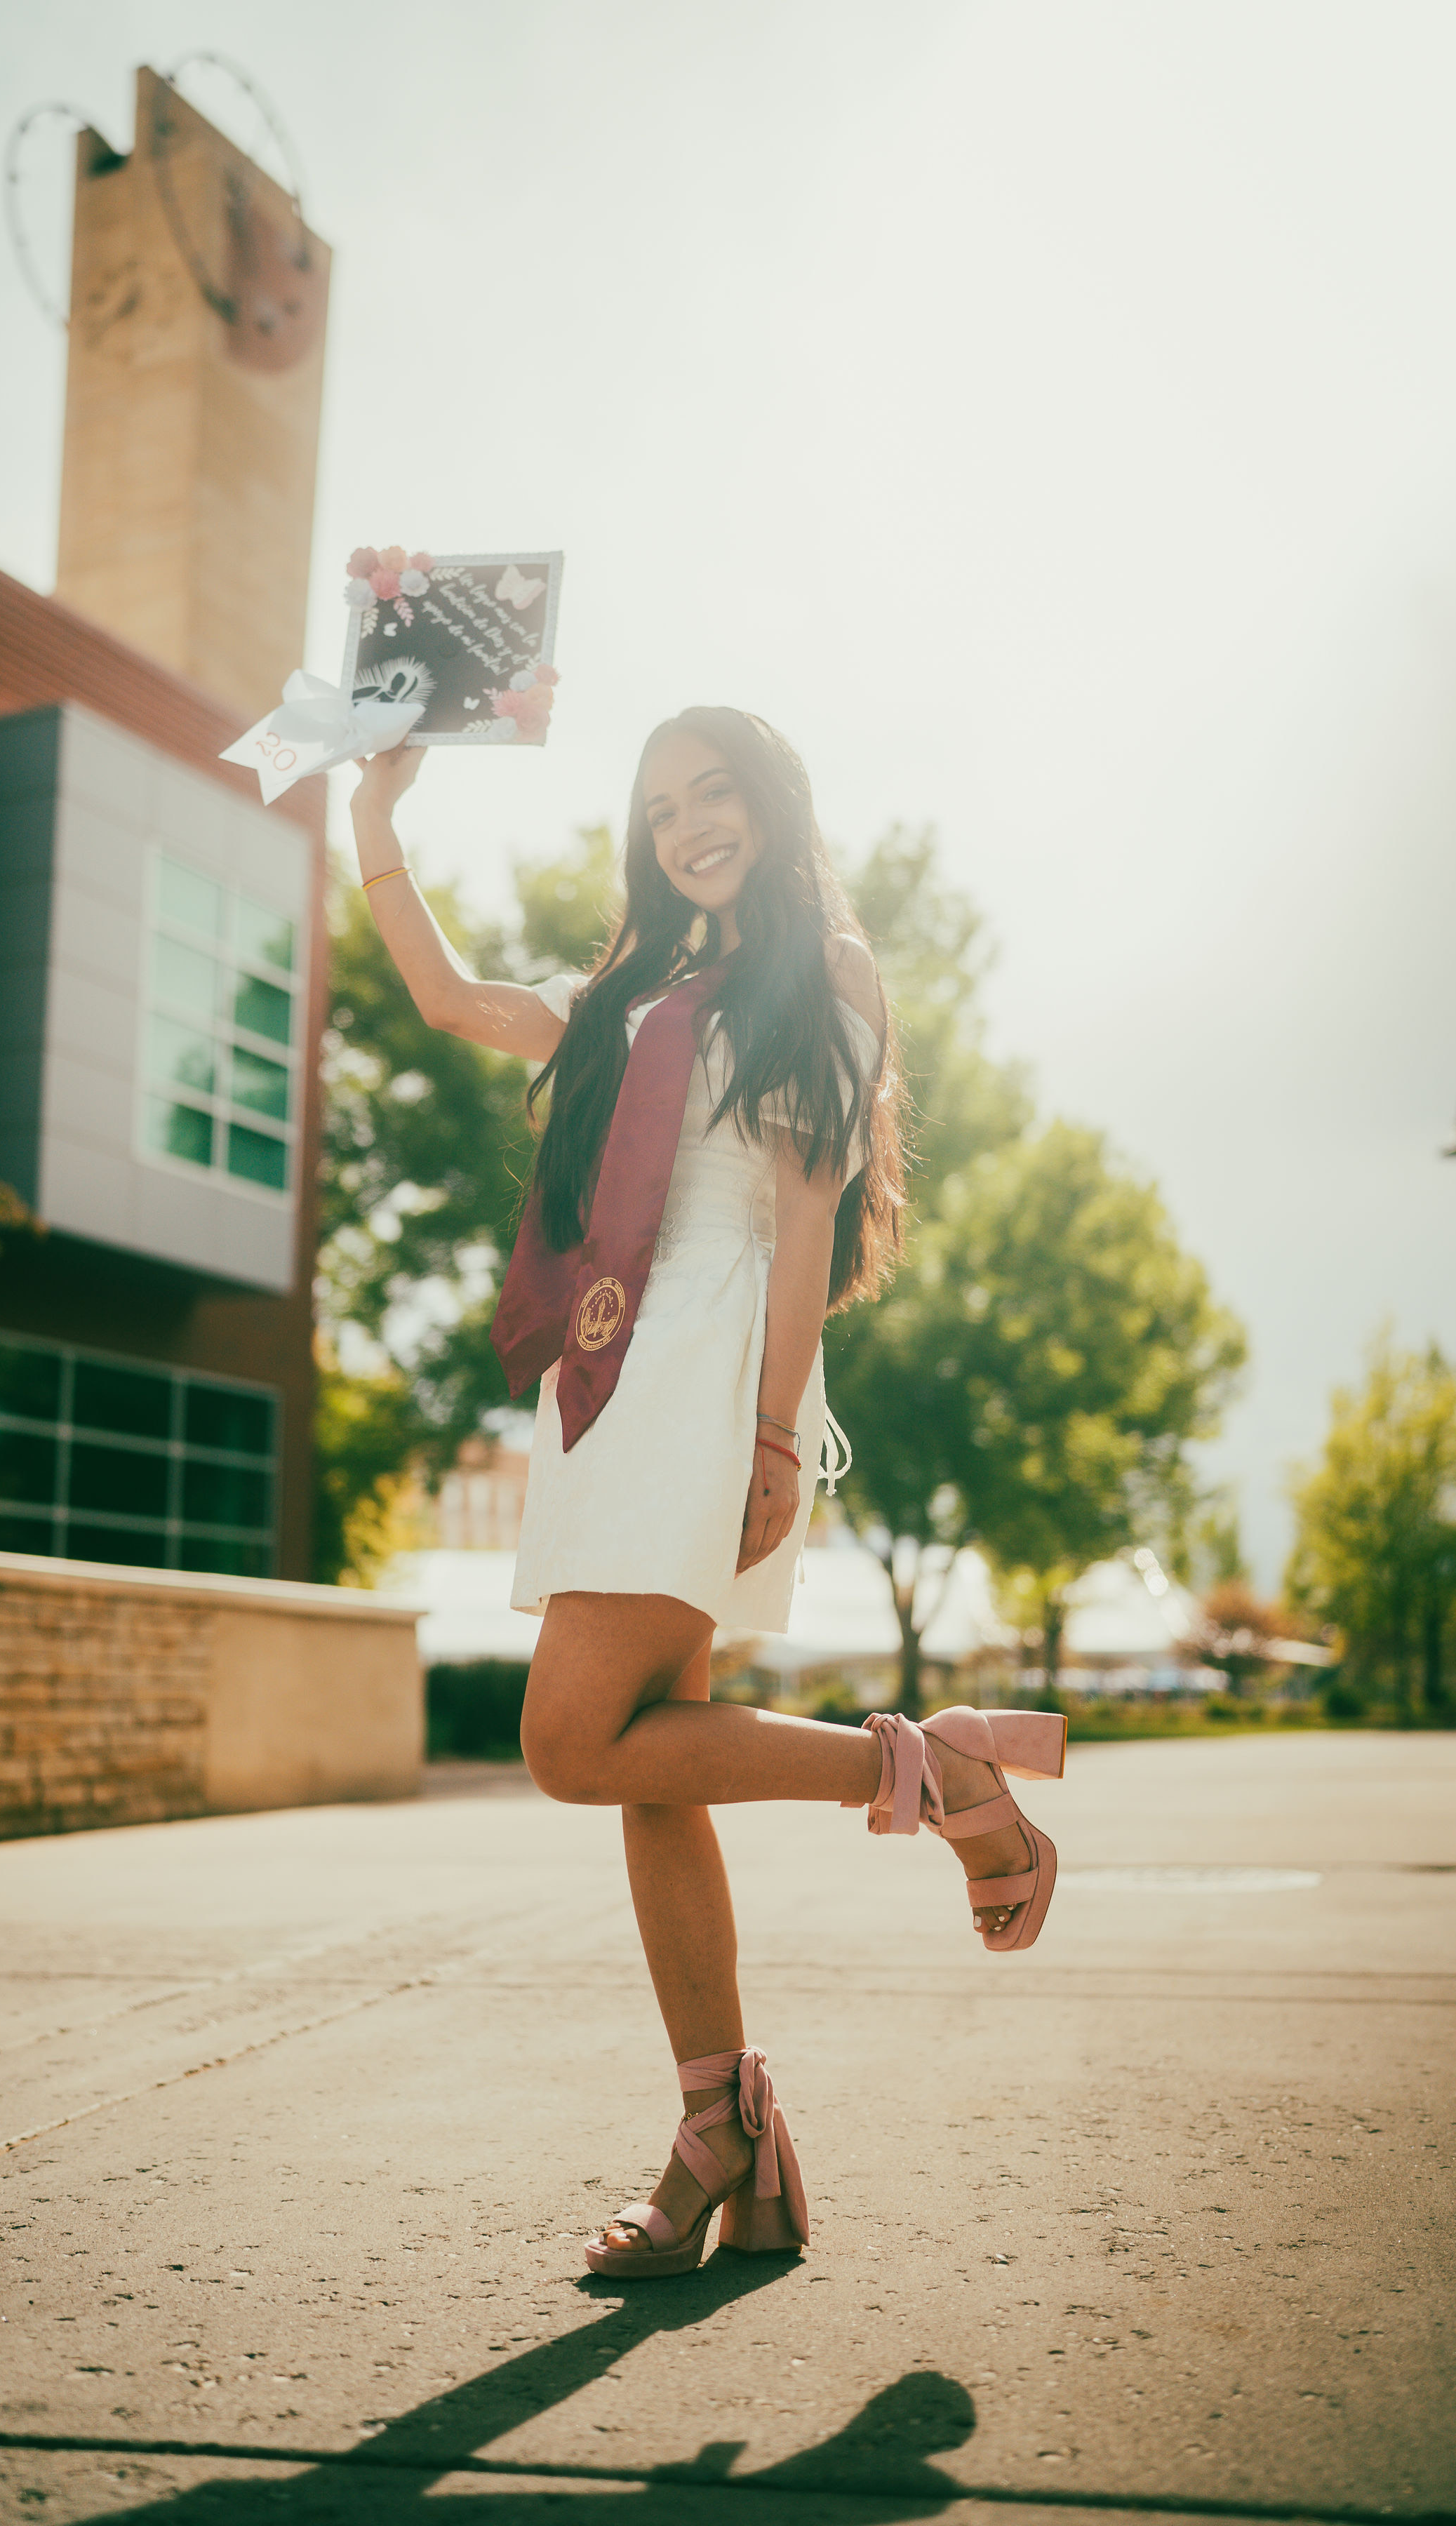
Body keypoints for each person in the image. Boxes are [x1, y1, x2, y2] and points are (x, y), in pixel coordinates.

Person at [350, 705, 1064, 2280]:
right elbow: (452, 995)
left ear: (770, 804)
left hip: (716, 1368)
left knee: (564, 1741)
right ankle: (713, 2131)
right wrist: (378, 826)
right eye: (662, 806)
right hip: (609, 1372)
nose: (690, 825)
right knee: (647, 1766)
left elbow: (807, 1219)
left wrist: (763, 1435)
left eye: (716, 792)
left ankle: (930, 1775)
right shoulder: (625, 1001)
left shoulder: (828, 976)